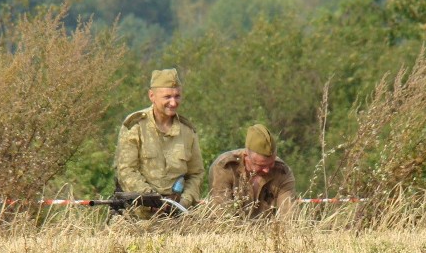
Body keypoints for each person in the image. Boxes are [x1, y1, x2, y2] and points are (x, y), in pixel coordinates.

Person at [114, 68, 204, 213]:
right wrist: (152, 198)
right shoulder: (135, 126)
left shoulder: (187, 131)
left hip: (178, 215)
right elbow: (126, 170)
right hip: (137, 215)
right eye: (167, 97)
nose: (173, 102)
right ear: (152, 96)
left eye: (177, 96)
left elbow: (196, 174)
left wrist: (184, 201)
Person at [208, 124, 295, 218]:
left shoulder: (282, 172)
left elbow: (289, 216)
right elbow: (222, 216)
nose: (266, 170)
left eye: (271, 164)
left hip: (269, 231)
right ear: (246, 157)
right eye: (261, 165)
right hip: (230, 230)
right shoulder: (225, 167)